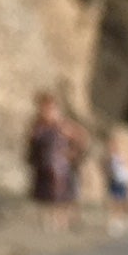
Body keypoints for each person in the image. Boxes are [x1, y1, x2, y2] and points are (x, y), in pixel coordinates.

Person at [27, 93, 72, 230]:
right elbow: (32, 141)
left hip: (58, 163)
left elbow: (76, 138)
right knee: (44, 191)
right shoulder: (38, 125)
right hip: (43, 161)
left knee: (59, 191)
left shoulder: (61, 124)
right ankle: (47, 220)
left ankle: (60, 219)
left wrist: (70, 154)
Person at [104, 134, 128, 232]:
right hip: (113, 181)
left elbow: (127, 169)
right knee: (114, 201)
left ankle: (121, 219)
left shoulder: (121, 157)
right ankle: (115, 220)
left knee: (122, 201)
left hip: (122, 181)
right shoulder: (108, 158)